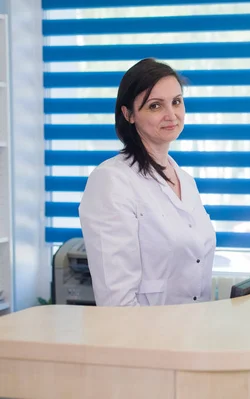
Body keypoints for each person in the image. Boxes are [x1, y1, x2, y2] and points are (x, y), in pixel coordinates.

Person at [79, 58, 216, 307]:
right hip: (146, 337)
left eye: (176, 101)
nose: (171, 114)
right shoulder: (111, 180)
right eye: (155, 106)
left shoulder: (185, 180)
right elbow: (115, 297)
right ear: (128, 114)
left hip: (194, 330)